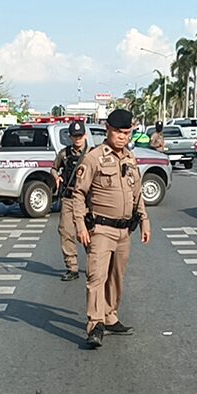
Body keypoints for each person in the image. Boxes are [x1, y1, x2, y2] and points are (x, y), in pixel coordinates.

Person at [70, 108, 151, 348]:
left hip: (124, 231)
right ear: (108, 129)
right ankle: (95, 325)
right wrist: (80, 226)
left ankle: (110, 315)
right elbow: (78, 194)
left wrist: (144, 220)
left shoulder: (130, 158)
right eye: (118, 132)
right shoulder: (94, 158)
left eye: (127, 133)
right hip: (101, 229)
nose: (123, 137)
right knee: (97, 277)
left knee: (117, 277)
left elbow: (138, 194)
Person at [52, 121, 88, 282]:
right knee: (66, 231)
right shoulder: (64, 153)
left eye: (80, 136)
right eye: (75, 136)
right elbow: (54, 167)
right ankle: (72, 267)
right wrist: (57, 177)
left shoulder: (92, 154)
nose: (78, 139)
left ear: (85, 135)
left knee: (90, 233)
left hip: (88, 200)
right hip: (69, 197)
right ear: (70, 137)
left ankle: (94, 265)